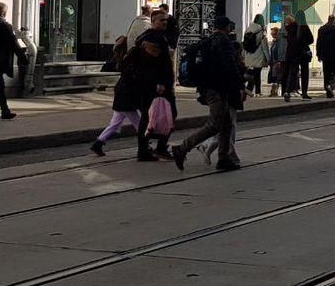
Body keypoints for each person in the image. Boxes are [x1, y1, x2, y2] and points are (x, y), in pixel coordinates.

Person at [172, 15, 244, 172]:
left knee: (226, 125)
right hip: (217, 89)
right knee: (215, 124)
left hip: (210, 88)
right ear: (226, 28)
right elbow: (230, 66)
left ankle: (223, 158)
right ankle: (182, 148)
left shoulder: (207, 41)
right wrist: (240, 85)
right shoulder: (223, 42)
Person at [134, 11, 177, 159]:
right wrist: (159, 83)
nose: (164, 22)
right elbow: (151, 65)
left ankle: (151, 147)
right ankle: (147, 149)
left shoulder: (156, 37)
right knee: (153, 116)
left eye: (166, 20)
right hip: (155, 86)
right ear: (153, 20)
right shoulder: (152, 38)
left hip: (154, 84)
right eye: (161, 20)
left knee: (151, 116)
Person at [91, 39, 140, 155]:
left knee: (114, 124)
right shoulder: (129, 60)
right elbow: (133, 80)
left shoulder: (122, 59)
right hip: (127, 100)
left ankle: (98, 143)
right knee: (139, 124)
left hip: (121, 98)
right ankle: (144, 146)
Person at [285, 10, 314, 100]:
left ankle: (288, 91)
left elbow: (289, 41)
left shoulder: (290, 28)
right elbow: (311, 40)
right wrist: (304, 42)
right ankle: (304, 93)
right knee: (305, 73)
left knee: (293, 73)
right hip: (303, 53)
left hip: (293, 54)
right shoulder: (305, 27)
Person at [316, 14, 335, 98]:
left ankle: (327, 88)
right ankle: (330, 87)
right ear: (334, 20)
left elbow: (319, 43)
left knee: (327, 73)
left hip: (325, 55)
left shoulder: (321, 29)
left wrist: (319, 54)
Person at [242, 14, 270, 96]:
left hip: (249, 55)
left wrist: (243, 55)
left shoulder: (247, 29)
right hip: (258, 55)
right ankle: (257, 91)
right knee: (257, 74)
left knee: (252, 73)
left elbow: (245, 44)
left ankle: (249, 89)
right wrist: (268, 58)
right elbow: (265, 46)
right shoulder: (261, 31)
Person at [268, 26, 286, 97]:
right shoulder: (274, 41)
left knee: (277, 77)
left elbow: (279, 51)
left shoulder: (279, 42)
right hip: (273, 62)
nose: (272, 36)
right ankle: (274, 91)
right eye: (272, 34)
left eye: (273, 34)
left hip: (277, 61)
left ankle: (275, 91)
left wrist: (279, 60)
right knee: (275, 77)